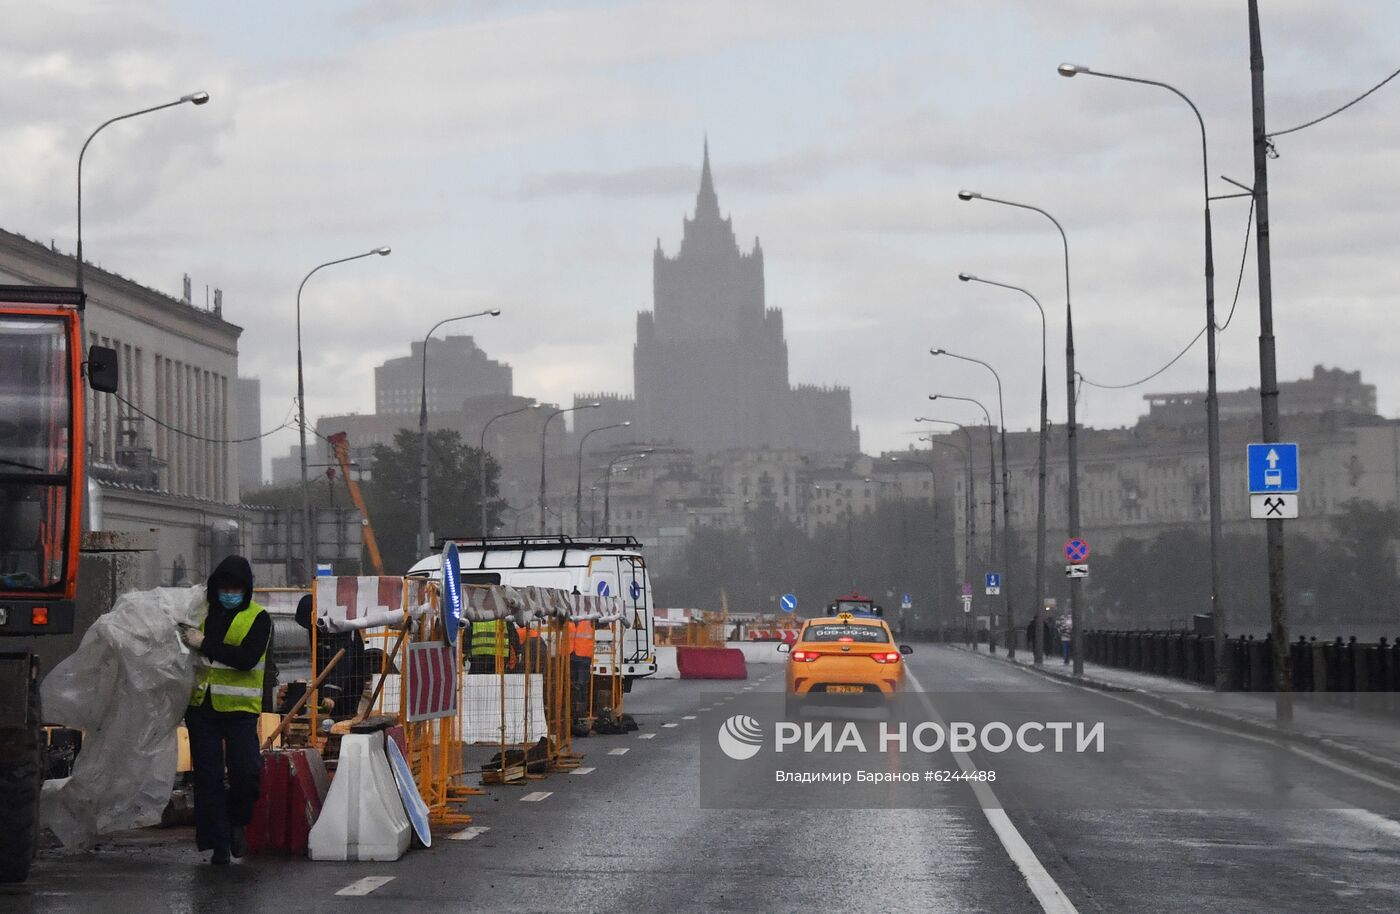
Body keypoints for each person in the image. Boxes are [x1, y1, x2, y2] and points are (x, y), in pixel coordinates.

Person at [180, 555, 270, 865]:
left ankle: (237, 821)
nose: (229, 593)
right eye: (224, 587)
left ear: (246, 590)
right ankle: (217, 843)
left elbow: (245, 658)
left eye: (236, 588)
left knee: (246, 772)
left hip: (240, 708)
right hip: (201, 707)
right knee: (208, 778)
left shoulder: (259, 618)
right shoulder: (201, 613)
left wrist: (204, 643)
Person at [293, 594, 370, 719]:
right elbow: (319, 660)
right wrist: (320, 690)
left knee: (343, 718)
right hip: (330, 681)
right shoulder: (316, 629)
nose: (310, 629)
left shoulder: (340, 627)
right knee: (326, 721)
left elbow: (343, 663)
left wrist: (330, 694)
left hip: (349, 683)